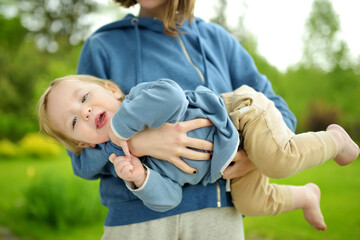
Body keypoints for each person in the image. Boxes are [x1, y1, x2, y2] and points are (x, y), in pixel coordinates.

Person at [63, 0, 299, 239]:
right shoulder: (103, 45)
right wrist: (135, 145)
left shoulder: (216, 40)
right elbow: (79, 155)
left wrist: (255, 155)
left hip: (217, 216)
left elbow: (277, 112)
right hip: (134, 221)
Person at [38, 75, 359, 232]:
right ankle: (305, 196)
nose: (86, 110)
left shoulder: (138, 98)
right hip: (231, 160)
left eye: (84, 97)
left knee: (279, 160)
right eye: (74, 121)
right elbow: (170, 197)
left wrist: (121, 130)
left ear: (110, 90)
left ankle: (335, 140)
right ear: (85, 144)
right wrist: (141, 179)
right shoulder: (131, 162)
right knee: (250, 202)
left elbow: (173, 96)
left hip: (240, 116)